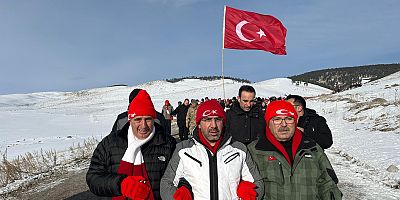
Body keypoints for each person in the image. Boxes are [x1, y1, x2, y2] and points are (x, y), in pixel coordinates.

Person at [160, 100, 264, 200]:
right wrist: (178, 197)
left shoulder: (239, 149)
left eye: (218, 119)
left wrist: (249, 193)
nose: (213, 125)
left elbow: (257, 182)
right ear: (199, 124)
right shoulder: (183, 150)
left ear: (223, 123)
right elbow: (166, 184)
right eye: (207, 120)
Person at [86, 90, 176, 200]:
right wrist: (121, 185)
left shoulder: (168, 143)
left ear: (153, 119)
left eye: (148, 119)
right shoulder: (110, 144)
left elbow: (179, 177)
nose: (143, 126)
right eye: (138, 120)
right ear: (130, 120)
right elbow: (93, 178)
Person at [247, 100, 342, 200]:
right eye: (277, 119)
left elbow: (328, 184)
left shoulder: (312, 148)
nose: (283, 124)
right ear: (268, 122)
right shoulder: (255, 151)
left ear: (296, 121)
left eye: (289, 119)